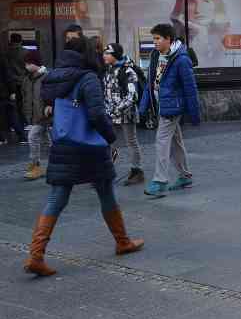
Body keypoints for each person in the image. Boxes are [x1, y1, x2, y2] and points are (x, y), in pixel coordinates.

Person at [23, 37, 144, 277]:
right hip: (90, 147)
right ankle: (122, 242)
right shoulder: (88, 78)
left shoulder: (56, 76)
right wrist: (110, 137)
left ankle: (35, 255)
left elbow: (50, 106)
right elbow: (97, 114)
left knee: (57, 197)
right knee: (105, 191)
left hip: (63, 143)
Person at [139, 23, 200, 198]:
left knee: (162, 140)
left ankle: (160, 181)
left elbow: (190, 88)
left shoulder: (181, 59)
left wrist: (194, 113)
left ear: (168, 39)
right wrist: (144, 106)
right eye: (153, 39)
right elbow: (151, 83)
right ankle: (185, 176)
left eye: (157, 38)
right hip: (161, 105)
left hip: (172, 107)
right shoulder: (156, 55)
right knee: (175, 142)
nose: (155, 42)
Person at [102, 43, 144, 184]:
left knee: (131, 141)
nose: (104, 56)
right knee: (109, 142)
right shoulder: (108, 69)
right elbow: (106, 91)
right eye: (104, 53)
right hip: (110, 112)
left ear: (115, 55)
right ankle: (106, 171)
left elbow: (133, 96)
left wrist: (116, 109)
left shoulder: (127, 71)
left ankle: (136, 171)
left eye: (108, 53)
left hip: (126, 112)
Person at [22, 51, 50, 180]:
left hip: (44, 116)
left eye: (28, 63)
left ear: (35, 63)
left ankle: (36, 165)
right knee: (47, 141)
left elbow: (51, 95)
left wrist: (49, 108)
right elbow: (26, 97)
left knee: (33, 137)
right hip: (35, 116)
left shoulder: (46, 76)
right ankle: (51, 165)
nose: (26, 66)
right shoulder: (27, 78)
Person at [7, 33, 27, 143]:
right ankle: (23, 125)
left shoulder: (6, 52)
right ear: (21, 40)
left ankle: (14, 126)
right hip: (23, 82)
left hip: (10, 84)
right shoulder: (26, 52)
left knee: (13, 107)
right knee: (22, 105)